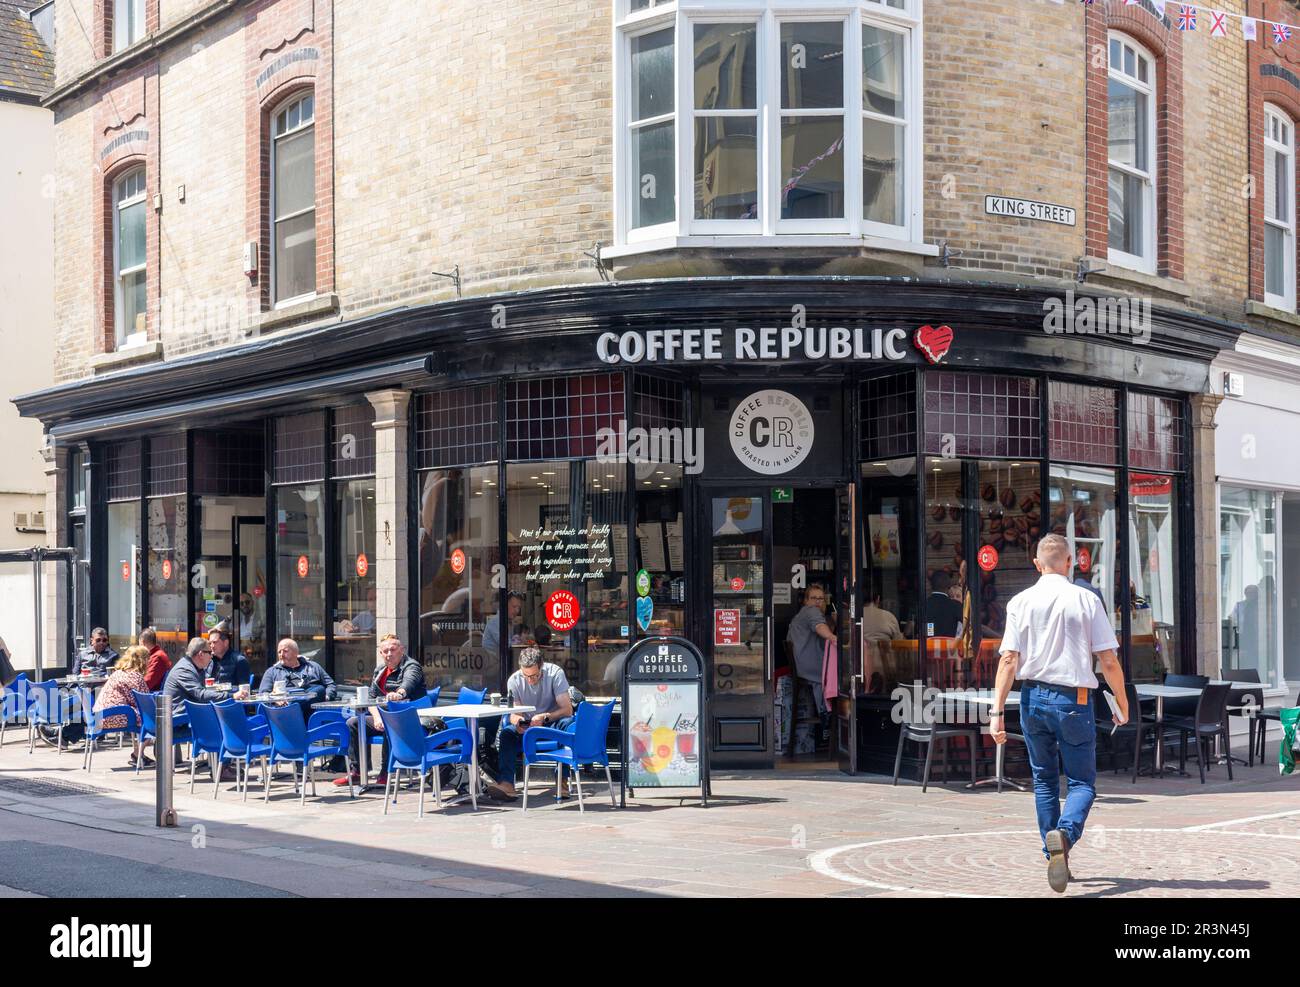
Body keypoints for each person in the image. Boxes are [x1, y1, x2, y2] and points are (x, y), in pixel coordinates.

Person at [991, 533, 1129, 894]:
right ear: (1070, 563)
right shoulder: (1085, 598)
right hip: (1074, 700)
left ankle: (1055, 853)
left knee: (1044, 781)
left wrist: (995, 713)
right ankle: (1064, 836)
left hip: (1032, 697)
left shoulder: (1020, 601)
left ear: (1037, 564)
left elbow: (1008, 660)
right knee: (1082, 783)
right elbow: (1108, 659)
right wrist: (1122, 699)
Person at [334, 634, 426, 788]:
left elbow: (409, 682)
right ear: (381, 653)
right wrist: (376, 718)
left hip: (410, 718)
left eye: (393, 650)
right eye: (385, 651)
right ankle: (358, 772)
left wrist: (399, 693)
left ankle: (385, 772)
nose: (389, 654)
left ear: (401, 650)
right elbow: (371, 698)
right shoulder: (380, 671)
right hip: (385, 716)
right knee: (354, 723)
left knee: (390, 724)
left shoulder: (411, 666)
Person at [484, 646, 574, 801]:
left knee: (566, 724)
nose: (530, 680)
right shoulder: (514, 680)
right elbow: (514, 713)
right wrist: (518, 722)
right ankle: (507, 784)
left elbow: (567, 710)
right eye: (526, 676)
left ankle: (562, 780)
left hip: (550, 723)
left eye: (535, 675)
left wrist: (545, 717)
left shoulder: (555, 673)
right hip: (528, 727)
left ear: (542, 666)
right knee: (507, 733)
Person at [785, 584, 835, 749]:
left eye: (821, 598)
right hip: (810, 667)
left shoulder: (801, 615)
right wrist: (833, 637)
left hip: (801, 667)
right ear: (806, 600)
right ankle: (830, 716)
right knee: (841, 676)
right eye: (813, 598)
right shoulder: (810, 611)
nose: (817, 602)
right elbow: (820, 627)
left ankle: (827, 714)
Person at [93, 645, 150, 766]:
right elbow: (143, 701)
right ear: (142, 660)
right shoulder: (135, 676)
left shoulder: (117, 673)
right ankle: (138, 754)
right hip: (114, 716)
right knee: (152, 722)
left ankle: (140, 755)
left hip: (99, 717)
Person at [260, 638, 337, 719]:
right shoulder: (272, 672)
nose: (281, 655)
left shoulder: (313, 667)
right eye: (279, 652)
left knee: (319, 690)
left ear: (296, 653)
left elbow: (330, 684)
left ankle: (292, 706)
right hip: (284, 712)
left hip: (314, 711)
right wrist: (275, 700)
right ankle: (292, 707)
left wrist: (327, 697)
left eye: (285, 651)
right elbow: (263, 694)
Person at [207, 622, 251, 688]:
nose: (211, 646)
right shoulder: (209, 660)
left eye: (215, 642)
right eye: (210, 643)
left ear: (226, 642)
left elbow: (244, 689)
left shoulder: (239, 661)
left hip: (230, 697)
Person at [482, 591, 524, 657]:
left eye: (519, 607)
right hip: (492, 664)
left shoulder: (508, 621)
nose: (517, 611)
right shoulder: (496, 621)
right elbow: (506, 644)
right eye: (514, 606)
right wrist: (522, 642)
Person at [924, 571, 964, 638]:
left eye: (958, 596)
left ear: (931, 585)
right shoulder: (955, 605)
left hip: (927, 647)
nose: (954, 598)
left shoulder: (924, 605)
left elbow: (918, 629)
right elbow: (970, 625)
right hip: (950, 647)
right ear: (948, 586)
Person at [139, 627, 172, 692]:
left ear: (143, 642)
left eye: (139, 644)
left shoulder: (158, 657)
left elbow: (147, 683)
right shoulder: (154, 655)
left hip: (153, 696)